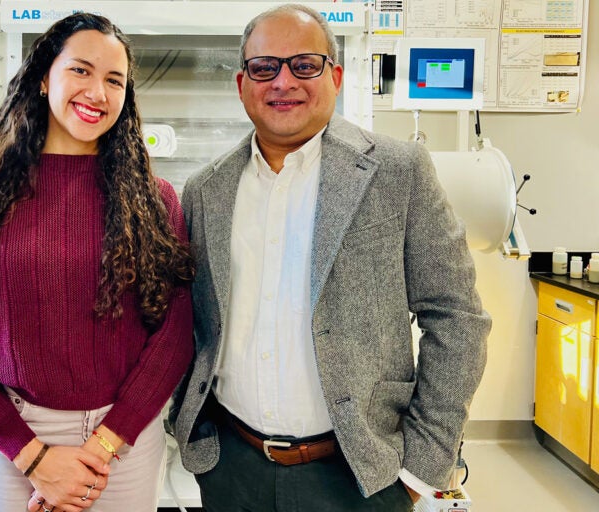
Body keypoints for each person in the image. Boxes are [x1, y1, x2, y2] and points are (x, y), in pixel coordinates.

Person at [170, 4, 491, 511]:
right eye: (264, 67)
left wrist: (421, 466)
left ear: (335, 77)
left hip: (361, 475)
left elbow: (457, 318)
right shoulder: (205, 190)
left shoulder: (398, 172)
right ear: (242, 84)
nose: (283, 82)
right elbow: (188, 325)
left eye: (304, 65)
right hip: (231, 469)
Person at [0, 12, 194, 512]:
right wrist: (35, 459)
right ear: (45, 77)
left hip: (121, 442)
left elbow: (173, 337)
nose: (97, 92)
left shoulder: (156, 201)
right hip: (13, 437)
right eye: (80, 70)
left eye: (115, 80)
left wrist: (102, 446)